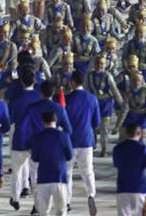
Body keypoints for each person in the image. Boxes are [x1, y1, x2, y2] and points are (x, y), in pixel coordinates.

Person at [64, 70, 101, 215]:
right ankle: (91, 195)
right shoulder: (92, 98)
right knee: (88, 171)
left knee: (67, 173)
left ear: (72, 82)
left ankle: (67, 202)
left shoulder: (66, 99)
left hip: (70, 140)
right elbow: (96, 122)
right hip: (86, 139)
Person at [30, 110, 74, 216]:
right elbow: (70, 156)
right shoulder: (64, 136)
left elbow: (35, 158)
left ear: (43, 122)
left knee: (44, 211)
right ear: (56, 120)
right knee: (61, 210)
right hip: (59, 176)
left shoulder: (37, 137)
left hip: (43, 177)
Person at [113, 121, 146, 216]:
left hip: (122, 187)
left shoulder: (117, 148)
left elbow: (116, 164)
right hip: (140, 188)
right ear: (139, 133)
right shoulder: (143, 148)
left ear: (126, 133)